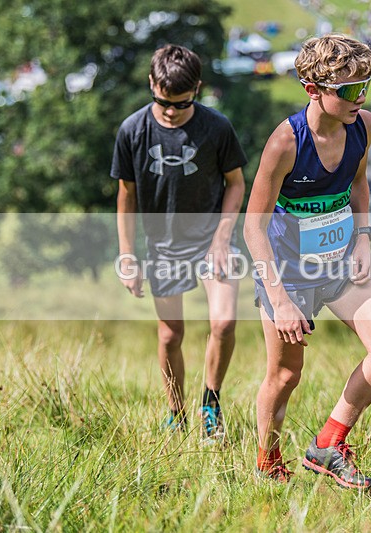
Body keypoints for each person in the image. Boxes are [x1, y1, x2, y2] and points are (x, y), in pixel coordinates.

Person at [243, 34, 371, 488]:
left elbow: (358, 183)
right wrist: (279, 300)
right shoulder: (285, 143)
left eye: (366, 86)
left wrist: (364, 239)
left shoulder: (363, 125)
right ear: (313, 89)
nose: (361, 98)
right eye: (350, 89)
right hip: (287, 274)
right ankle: (267, 462)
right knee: (284, 376)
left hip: (339, 264)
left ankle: (328, 445)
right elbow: (253, 228)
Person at [111, 44, 247, 440]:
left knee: (224, 322)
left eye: (182, 104)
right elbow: (126, 196)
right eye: (163, 102)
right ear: (151, 84)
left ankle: (211, 405)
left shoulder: (216, 127)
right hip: (164, 245)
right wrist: (127, 255)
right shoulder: (133, 130)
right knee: (170, 335)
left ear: (197, 89)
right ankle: (176, 412)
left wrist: (222, 240)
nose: (171, 112)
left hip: (211, 240)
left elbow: (236, 184)